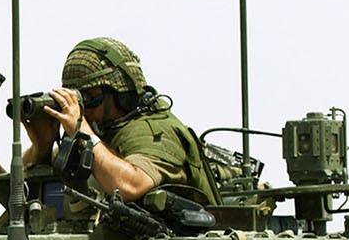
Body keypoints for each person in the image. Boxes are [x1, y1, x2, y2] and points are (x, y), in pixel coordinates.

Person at [23, 38, 220, 207]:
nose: (86, 109)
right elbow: (18, 196)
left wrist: (80, 129)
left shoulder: (156, 131)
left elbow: (129, 186)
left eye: (92, 98)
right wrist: (42, 148)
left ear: (121, 95)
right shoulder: (101, 133)